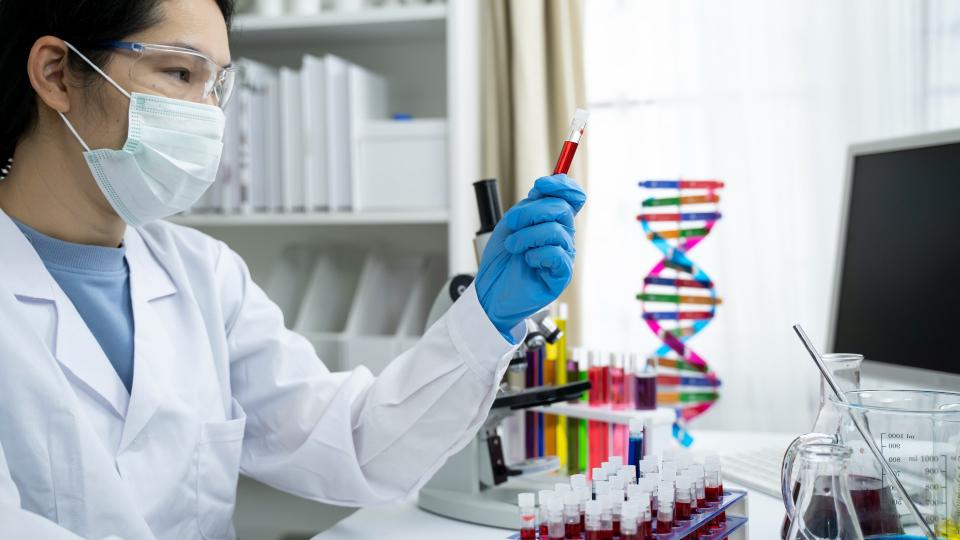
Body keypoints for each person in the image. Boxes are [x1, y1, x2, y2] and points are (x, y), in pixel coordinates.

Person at [0, 1, 586, 538]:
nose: (208, 116)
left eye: (218, 86)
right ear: (56, 73)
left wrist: (485, 317)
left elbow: (353, 446)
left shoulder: (205, 275)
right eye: (182, 74)